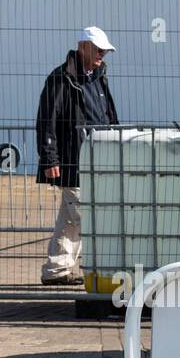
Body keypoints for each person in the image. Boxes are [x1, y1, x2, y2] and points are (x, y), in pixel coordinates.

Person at [35, 27, 119, 286]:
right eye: (97, 49)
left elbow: (109, 114)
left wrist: (116, 143)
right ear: (83, 47)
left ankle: (56, 270)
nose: (102, 54)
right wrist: (50, 158)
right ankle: (98, 267)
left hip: (99, 158)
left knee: (71, 217)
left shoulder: (99, 77)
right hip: (73, 159)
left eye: (104, 50)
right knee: (84, 215)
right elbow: (46, 119)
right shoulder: (61, 78)